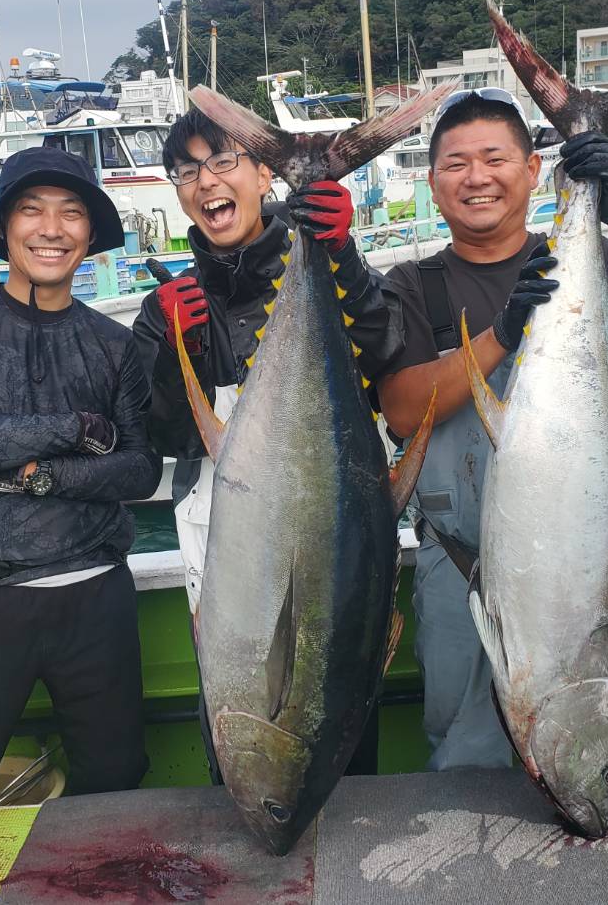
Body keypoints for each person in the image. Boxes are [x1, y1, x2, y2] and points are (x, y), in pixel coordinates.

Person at [377, 89, 608, 772]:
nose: (476, 177)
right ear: (433, 182)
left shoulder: (602, 266)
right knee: (466, 757)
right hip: (462, 571)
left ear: (533, 170)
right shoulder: (414, 286)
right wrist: (501, 337)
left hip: (589, 564)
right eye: (456, 163)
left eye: (494, 158)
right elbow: (404, 413)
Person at [132, 107, 403, 778]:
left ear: (260, 175)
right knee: (237, 691)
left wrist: (338, 251)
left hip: (332, 530)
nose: (205, 181)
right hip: (227, 540)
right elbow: (160, 437)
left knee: (334, 690)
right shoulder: (166, 303)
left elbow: (385, 348)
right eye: (187, 170)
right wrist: (172, 355)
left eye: (222, 161)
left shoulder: (328, 262)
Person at [0, 146, 160, 811]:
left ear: (91, 235)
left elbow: (138, 467)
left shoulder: (114, 343)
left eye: (71, 214)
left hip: (98, 597)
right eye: (31, 211)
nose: (52, 228)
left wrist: (39, 476)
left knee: (116, 779)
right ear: (3, 227)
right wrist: (77, 428)